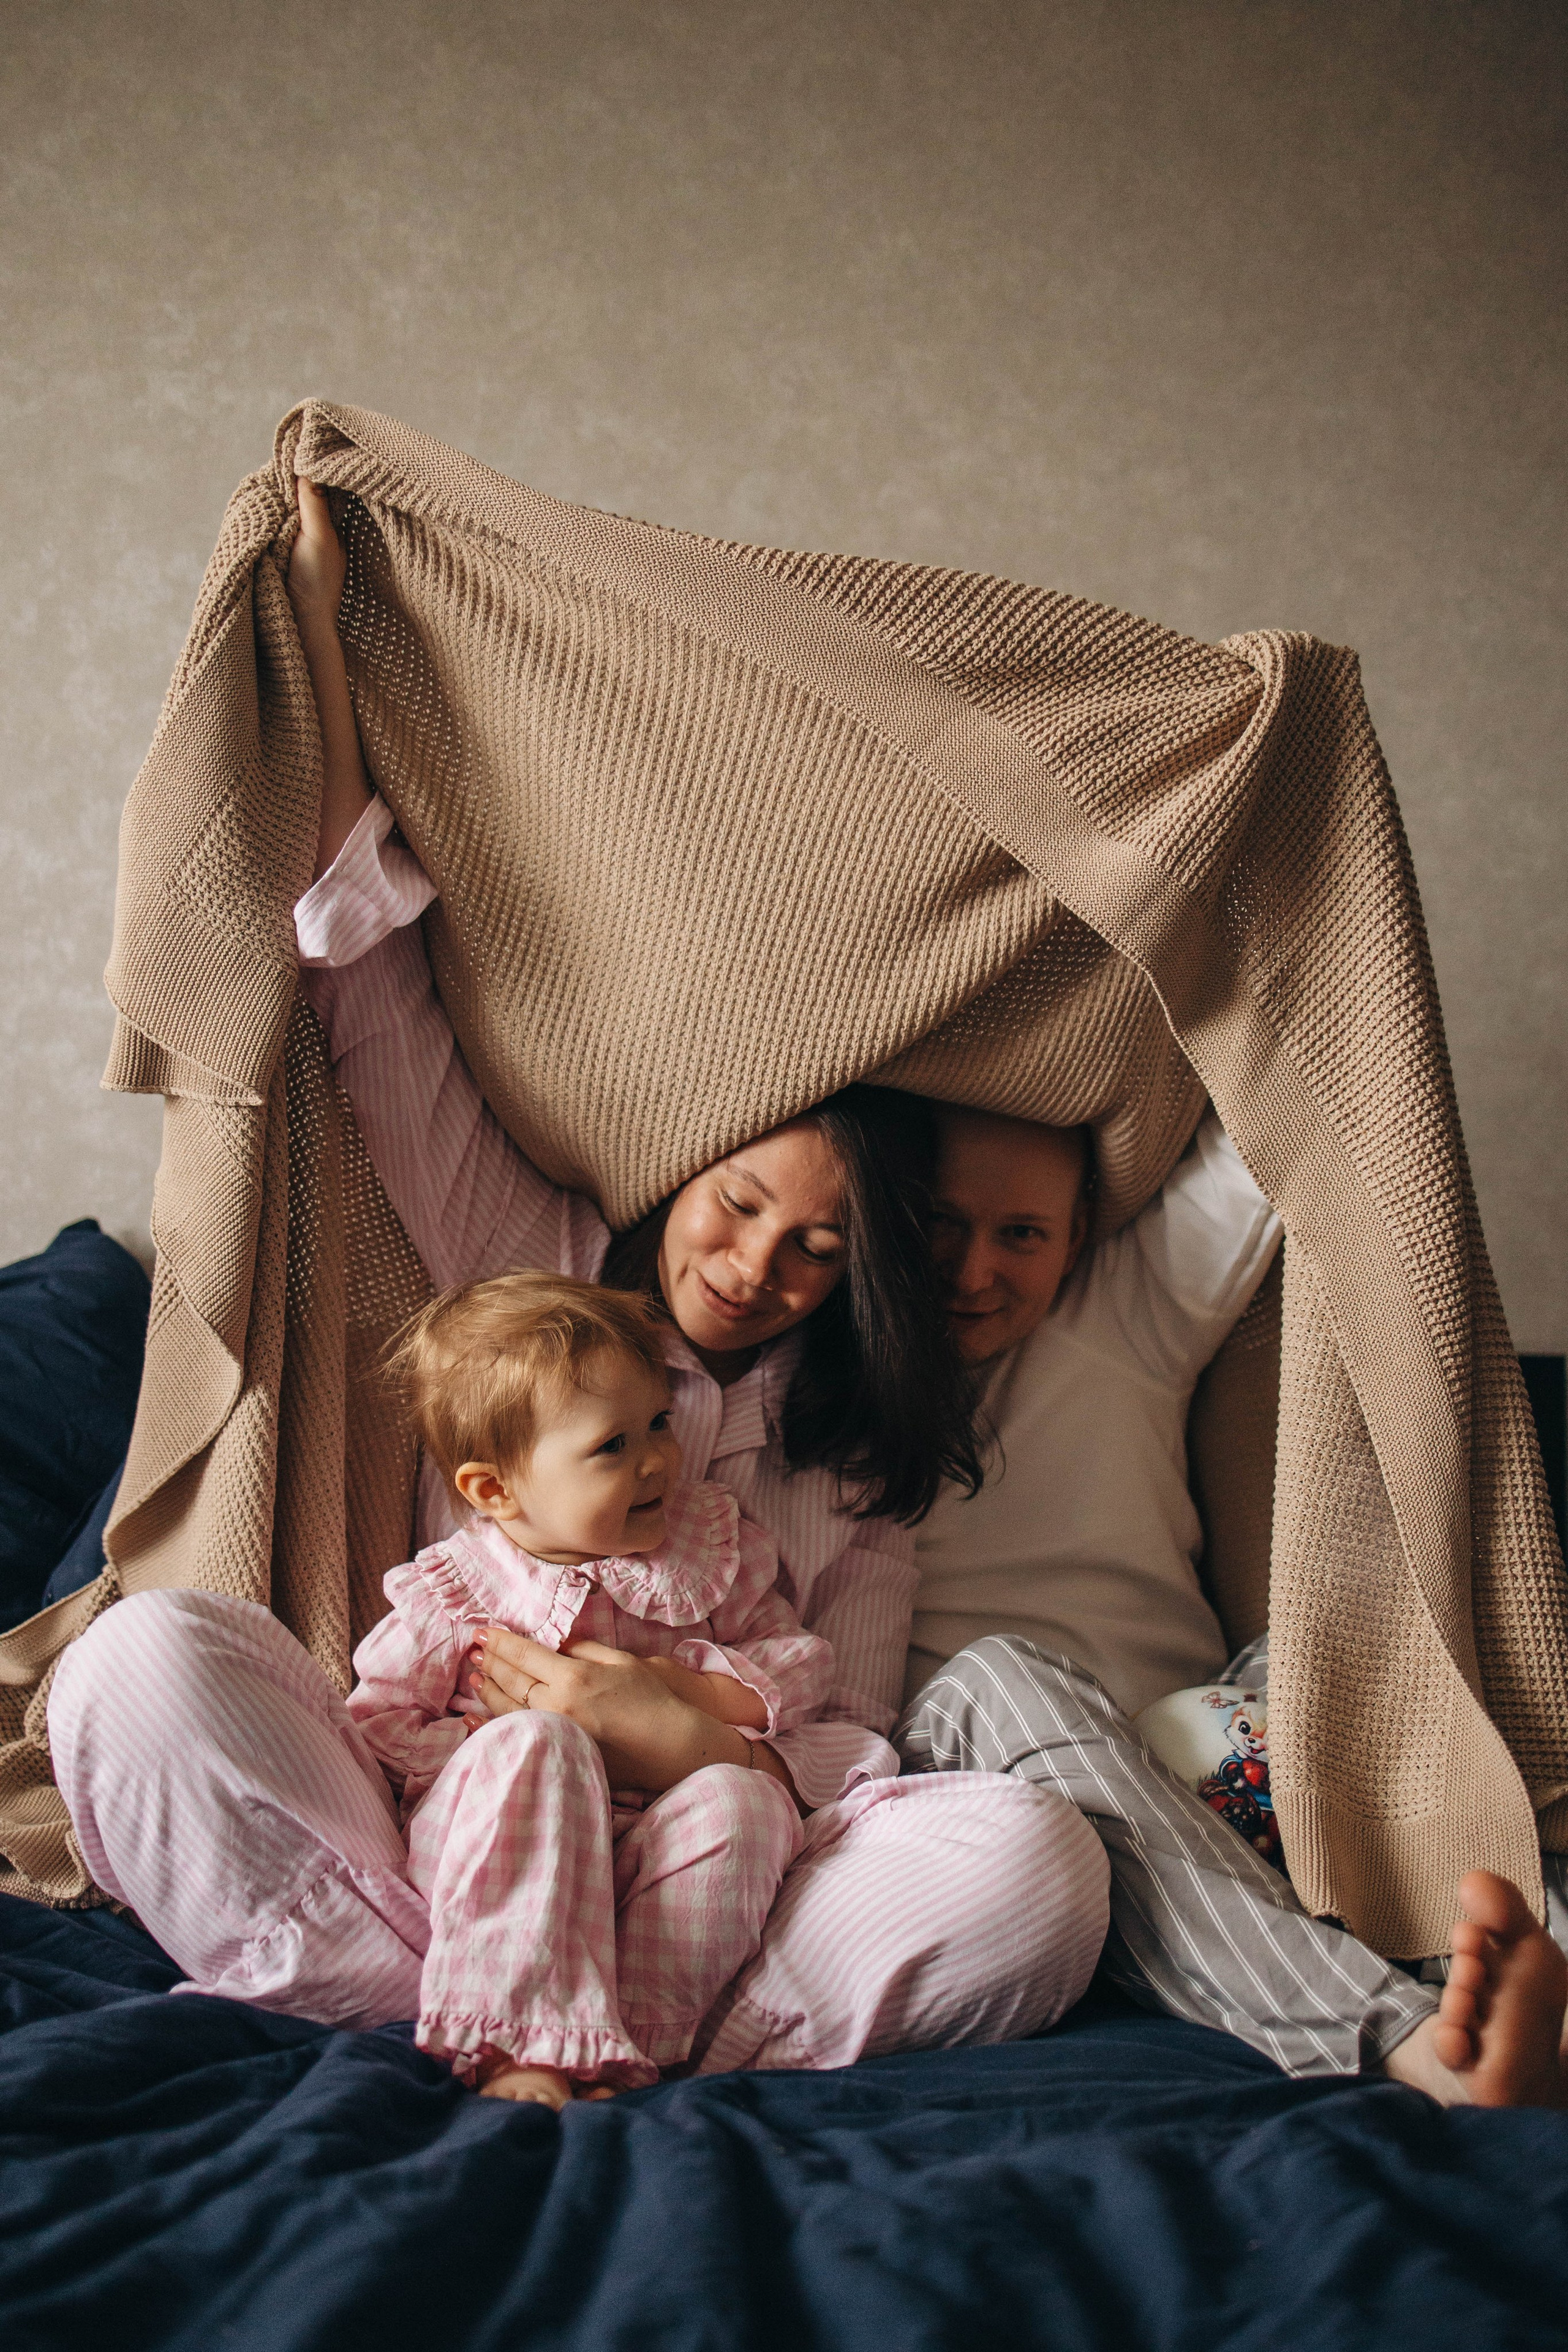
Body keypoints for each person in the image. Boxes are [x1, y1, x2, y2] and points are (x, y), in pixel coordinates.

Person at [45, 481, 1110, 2075]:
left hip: (715, 1877)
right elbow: (367, 986)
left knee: (1037, 1862)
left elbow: (851, 1738)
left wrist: (689, 1734)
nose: (755, 1268)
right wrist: (325, 645)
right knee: (137, 1664)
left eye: (821, 1250)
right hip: (448, 1837)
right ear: (688, 1163)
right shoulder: (525, 1264)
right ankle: (471, 1998)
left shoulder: (847, 1465)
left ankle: (609, 2026)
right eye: (737, 1206)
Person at [895, 1103, 1568, 2110]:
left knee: (1361, 1632)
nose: (972, 1270)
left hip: (1201, 1739)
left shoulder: (1123, 1319)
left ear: (1075, 1240)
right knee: (996, 1670)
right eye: (940, 1224)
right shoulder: (813, 1364)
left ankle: (1546, 1979)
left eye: (1021, 1234)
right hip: (983, 1770)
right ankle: (1405, 2039)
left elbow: (1295, 1096)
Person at [356, 1268, 893, 2108]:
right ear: (495, 1489)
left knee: (745, 1800)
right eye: (613, 1446)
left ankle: (631, 2049)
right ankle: (516, 2044)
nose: (657, 1460)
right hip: (509, 1853)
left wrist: (692, 1695)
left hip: (652, 1853)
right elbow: (378, 1724)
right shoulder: (458, 1596)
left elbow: (799, 1660)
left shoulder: (706, 1550)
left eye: (659, 1423)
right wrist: (484, 1741)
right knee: (539, 1741)